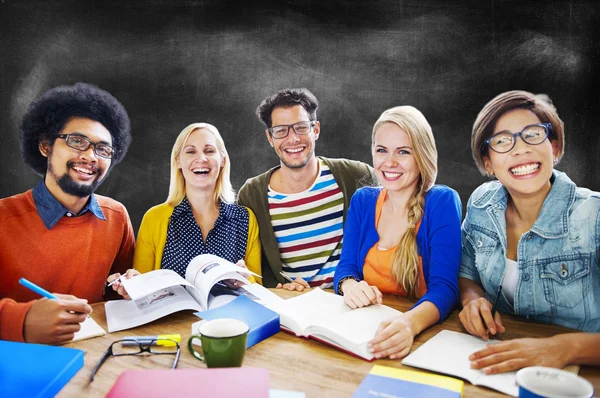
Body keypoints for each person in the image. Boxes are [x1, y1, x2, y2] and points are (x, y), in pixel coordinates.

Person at [459, 90, 600, 374]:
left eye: (533, 134)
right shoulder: (481, 204)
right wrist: (472, 300)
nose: (520, 149)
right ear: (488, 163)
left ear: (555, 148)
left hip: (579, 375)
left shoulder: (594, 216)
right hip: (500, 361)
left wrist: (563, 348)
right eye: (502, 141)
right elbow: (467, 275)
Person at [0, 82, 134, 344]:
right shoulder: (3, 219)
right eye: (77, 141)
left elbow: (114, 296)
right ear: (45, 146)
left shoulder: (116, 217)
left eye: (102, 149)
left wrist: (128, 288)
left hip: (95, 356)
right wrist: (21, 319)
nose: (90, 156)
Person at [333, 106, 462, 359]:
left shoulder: (442, 201)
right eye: (382, 150)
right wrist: (349, 285)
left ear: (422, 156)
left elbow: (446, 289)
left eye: (403, 152)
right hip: (363, 333)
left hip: (421, 336)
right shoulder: (363, 201)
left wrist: (409, 324)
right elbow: (346, 266)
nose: (389, 163)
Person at [237, 88, 377, 290]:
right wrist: (279, 288)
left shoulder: (357, 177)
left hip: (351, 300)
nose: (292, 139)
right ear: (270, 138)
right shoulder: (251, 194)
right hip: (292, 309)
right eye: (281, 131)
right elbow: (256, 264)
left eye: (301, 127)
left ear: (316, 129)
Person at [109, 123, 261, 297]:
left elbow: (259, 289)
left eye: (209, 151)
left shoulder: (245, 218)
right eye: (190, 151)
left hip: (229, 322)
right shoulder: (155, 218)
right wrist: (132, 286)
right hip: (173, 323)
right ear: (177, 161)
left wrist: (244, 281)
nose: (201, 158)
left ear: (223, 159)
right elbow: (141, 286)